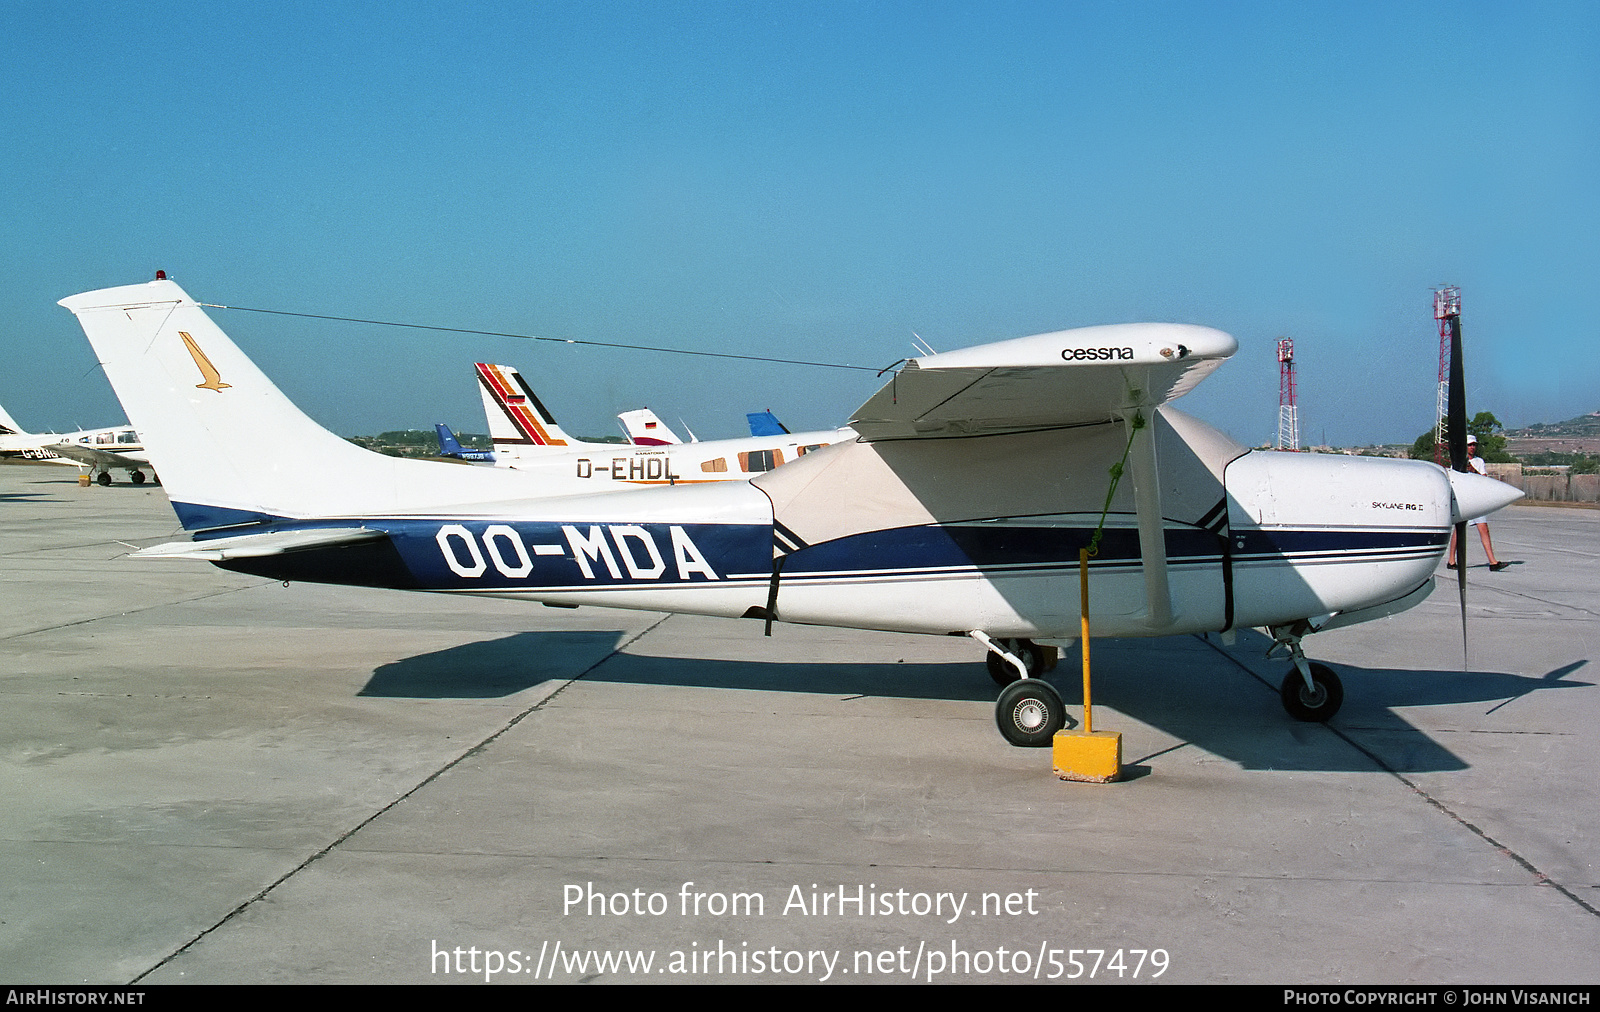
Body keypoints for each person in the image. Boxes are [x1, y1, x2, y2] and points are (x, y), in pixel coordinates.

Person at [1447, 435, 1509, 571]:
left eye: (1474, 445)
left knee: (1483, 529)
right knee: (1458, 530)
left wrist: (1472, 470)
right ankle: (1451, 560)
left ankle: (1493, 562)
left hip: (1476, 499)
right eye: (1470, 445)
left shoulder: (1479, 461)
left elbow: (1483, 478)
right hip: (1464, 499)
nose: (1472, 447)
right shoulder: (1457, 462)